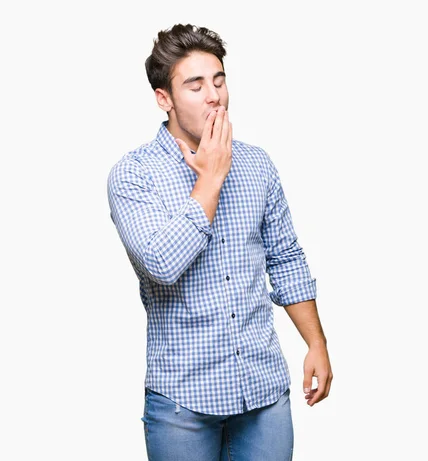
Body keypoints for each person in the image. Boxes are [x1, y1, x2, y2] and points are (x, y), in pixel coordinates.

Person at [107, 24, 333, 460]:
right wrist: (212, 176)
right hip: (182, 403)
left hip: (263, 394)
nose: (214, 95)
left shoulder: (257, 164)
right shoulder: (134, 175)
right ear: (164, 99)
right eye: (195, 85)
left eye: (219, 80)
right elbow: (162, 264)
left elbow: (285, 258)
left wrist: (316, 344)